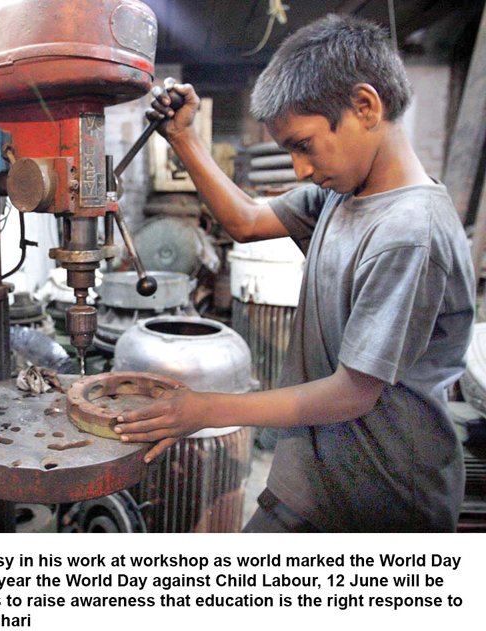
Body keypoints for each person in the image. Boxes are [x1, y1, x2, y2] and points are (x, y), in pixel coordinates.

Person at [114, 14, 475, 532]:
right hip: (312, 483)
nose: (300, 169)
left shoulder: (409, 233)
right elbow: (244, 220)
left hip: (382, 501)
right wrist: (183, 139)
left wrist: (206, 410)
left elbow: (351, 393)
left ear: (365, 106)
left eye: (303, 144)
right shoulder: (341, 193)